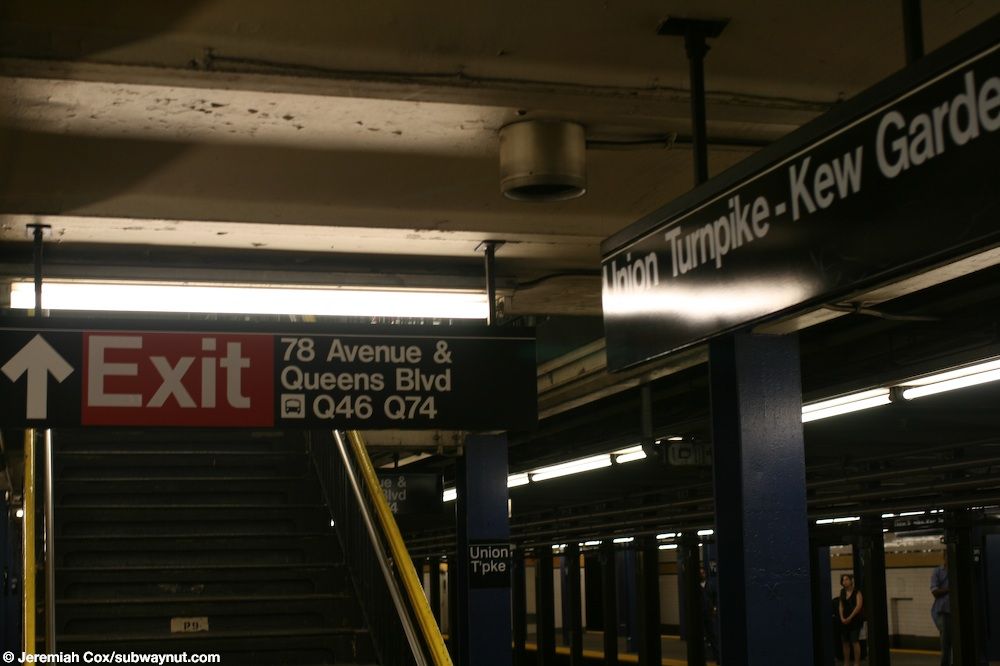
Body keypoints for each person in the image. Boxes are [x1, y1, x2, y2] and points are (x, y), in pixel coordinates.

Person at [931, 551, 951, 666]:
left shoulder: (957, 571)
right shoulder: (938, 572)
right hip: (942, 611)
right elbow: (935, 591)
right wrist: (950, 589)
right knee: (946, 643)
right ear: (944, 557)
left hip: (953, 611)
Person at [838, 574, 864, 666]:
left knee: (854, 641)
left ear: (851, 581)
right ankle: (846, 662)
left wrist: (850, 617)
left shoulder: (857, 592)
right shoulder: (842, 592)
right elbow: (840, 605)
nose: (845, 581)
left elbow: (858, 606)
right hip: (844, 620)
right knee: (845, 642)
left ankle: (857, 663)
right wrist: (842, 617)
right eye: (843, 580)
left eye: (846, 579)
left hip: (855, 620)